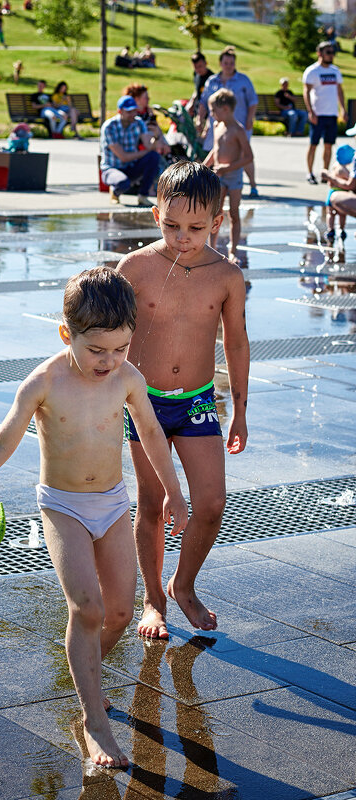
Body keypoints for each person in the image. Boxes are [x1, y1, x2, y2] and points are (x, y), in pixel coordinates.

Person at [0, 266, 188, 767]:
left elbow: (152, 435)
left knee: (119, 615)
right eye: (97, 350)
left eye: (121, 348)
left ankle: (85, 677)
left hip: (111, 503)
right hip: (62, 505)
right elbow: (1, 442)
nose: (109, 361)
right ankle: (94, 718)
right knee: (85, 608)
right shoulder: (44, 382)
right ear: (67, 333)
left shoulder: (128, 378)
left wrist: (174, 492)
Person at [116, 161, 249, 640]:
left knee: (211, 503)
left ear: (217, 221)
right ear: (156, 215)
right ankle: (154, 601)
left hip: (196, 401)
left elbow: (235, 344)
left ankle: (182, 584)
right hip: (143, 400)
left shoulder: (226, 277)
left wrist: (239, 410)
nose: (182, 237)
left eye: (195, 228)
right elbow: (110, 332)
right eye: (172, 226)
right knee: (151, 502)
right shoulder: (134, 268)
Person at [198, 46, 259, 197]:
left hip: (239, 123)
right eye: (226, 62)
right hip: (218, 125)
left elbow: (252, 101)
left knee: (241, 152)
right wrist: (202, 120)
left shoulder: (243, 80)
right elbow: (204, 102)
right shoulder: (212, 81)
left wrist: (250, 118)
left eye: (231, 63)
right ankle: (216, 182)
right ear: (220, 63)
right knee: (218, 149)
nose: (228, 65)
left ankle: (252, 184)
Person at [203, 89, 254, 264]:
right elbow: (215, 150)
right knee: (215, 212)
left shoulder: (237, 130)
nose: (211, 114)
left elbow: (249, 157)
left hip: (233, 177)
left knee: (233, 212)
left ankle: (233, 250)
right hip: (219, 176)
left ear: (225, 109)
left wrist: (228, 167)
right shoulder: (218, 126)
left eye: (213, 110)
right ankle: (212, 248)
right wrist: (203, 166)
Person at [99, 95, 161, 206]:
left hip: (131, 167)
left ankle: (143, 196)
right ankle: (115, 191)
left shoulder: (138, 122)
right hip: (112, 169)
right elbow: (123, 157)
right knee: (123, 182)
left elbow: (149, 147)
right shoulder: (109, 127)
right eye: (129, 112)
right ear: (120, 111)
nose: (133, 114)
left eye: (134, 111)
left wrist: (155, 137)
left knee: (153, 156)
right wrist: (144, 152)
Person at [303, 41, 345, 185]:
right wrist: (311, 111)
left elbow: (339, 91)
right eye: (328, 52)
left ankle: (324, 173)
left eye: (332, 52)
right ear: (319, 53)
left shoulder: (335, 71)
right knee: (313, 144)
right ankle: (310, 173)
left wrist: (343, 109)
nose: (331, 55)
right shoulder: (312, 71)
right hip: (318, 113)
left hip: (331, 114)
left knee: (328, 145)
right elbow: (306, 91)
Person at [324, 144, 354, 243]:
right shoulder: (345, 171)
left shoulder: (334, 166)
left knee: (330, 213)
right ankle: (341, 229)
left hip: (332, 191)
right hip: (341, 193)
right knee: (342, 214)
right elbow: (350, 185)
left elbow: (330, 182)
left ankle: (330, 229)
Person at [186, 52, 213, 117]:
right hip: (197, 109)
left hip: (208, 112)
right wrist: (191, 102)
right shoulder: (196, 74)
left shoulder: (212, 79)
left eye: (200, 66)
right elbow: (197, 89)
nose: (198, 69)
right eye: (195, 67)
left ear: (206, 63)